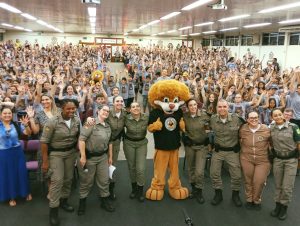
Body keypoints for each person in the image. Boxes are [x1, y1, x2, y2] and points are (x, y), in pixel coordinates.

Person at [40, 99, 81, 226]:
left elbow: (79, 136)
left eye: (73, 108)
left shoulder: (77, 120)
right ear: (61, 109)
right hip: (56, 154)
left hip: (70, 153)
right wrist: (45, 162)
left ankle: (64, 201)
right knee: (57, 181)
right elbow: (44, 142)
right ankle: (54, 211)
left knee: (68, 179)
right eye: (68, 108)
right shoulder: (52, 122)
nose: (71, 111)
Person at [77, 105, 115, 215]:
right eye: (104, 110)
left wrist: (110, 157)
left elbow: (110, 143)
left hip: (103, 157)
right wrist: (83, 156)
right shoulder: (91, 123)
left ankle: (104, 201)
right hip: (90, 158)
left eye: (108, 111)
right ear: (98, 111)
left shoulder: (108, 126)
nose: (106, 112)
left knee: (104, 181)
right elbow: (82, 140)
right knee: (87, 182)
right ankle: (82, 203)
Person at [209, 99, 244, 207]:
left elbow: (247, 129)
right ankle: (218, 194)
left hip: (232, 151)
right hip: (218, 151)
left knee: (237, 176)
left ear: (228, 108)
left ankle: (235, 195)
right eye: (220, 107)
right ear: (216, 108)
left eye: (224, 106)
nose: (222, 109)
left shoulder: (237, 119)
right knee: (214, 173)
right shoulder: (212, 119)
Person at [269, 109, 300, 220]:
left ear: (283, 115)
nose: (278, 117)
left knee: (287, 187)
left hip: (291, 160)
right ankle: (277, 205)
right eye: (275, 115)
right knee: (278, 185)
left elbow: (298, 142)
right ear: (272, 117)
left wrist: (298, 156)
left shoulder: (293, 127)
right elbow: (270, 142)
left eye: (279, 114)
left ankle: (284, 207)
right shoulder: (271, 128)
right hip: (278, 159)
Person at [0, 107, 32, 206]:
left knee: (21, 172)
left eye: (9, 113)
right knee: (8, 174)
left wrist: (26, 125)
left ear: (12, 114)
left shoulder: (16, 124)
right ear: (1, 115)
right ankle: (11, 196)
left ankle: (25, 192)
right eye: (5, 113)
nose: (7, 115)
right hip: (4, 154)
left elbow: (28, 134)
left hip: (18, 153)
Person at [239, 111, 271, 210]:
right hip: (246, 158)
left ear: (259, 118)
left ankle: (256, 199)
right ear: (247, 119)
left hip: (262, 160)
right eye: (251, 118)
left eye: (256, 117)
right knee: (248, 181)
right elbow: (238, 140)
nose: (254, 119)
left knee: (259, 181)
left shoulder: (266, 129)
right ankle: (249, 199)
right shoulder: (243, 129)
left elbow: (273, 142)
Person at [183, 98, 210, 204]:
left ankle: (199, 191)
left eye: (195, 105)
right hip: (190, 146)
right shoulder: (185, 116)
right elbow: (181, 128)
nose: (193, 107)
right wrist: (184, 137)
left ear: (197, 105)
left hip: (202, 147)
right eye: (190, 105)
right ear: (187, 107)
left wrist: (209, 137)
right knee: (191, 169)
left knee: (199, 171)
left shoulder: (204, 115)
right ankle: (193, 189)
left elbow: (212, 125)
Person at [123, 102, 148, 202]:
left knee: (140, 169)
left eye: (138, 106)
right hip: (129, 143)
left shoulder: (146, 117)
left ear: (140, 108)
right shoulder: (126, 118)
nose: (136, 108)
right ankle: (134, 189)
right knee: (131, 167)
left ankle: (140, 191)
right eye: (133, 107)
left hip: (142, 143)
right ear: (130, 109)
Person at [106, 95, 126, 199]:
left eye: (121, 101)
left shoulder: (125, 114)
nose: (119, 103)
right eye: (117, 101)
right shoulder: (108, 112)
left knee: (112, 164)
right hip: (104, 143)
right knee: (103, 165)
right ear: (113, 103)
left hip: (116, 142)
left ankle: (111, 188)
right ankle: (102, 188)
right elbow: (98, 119)